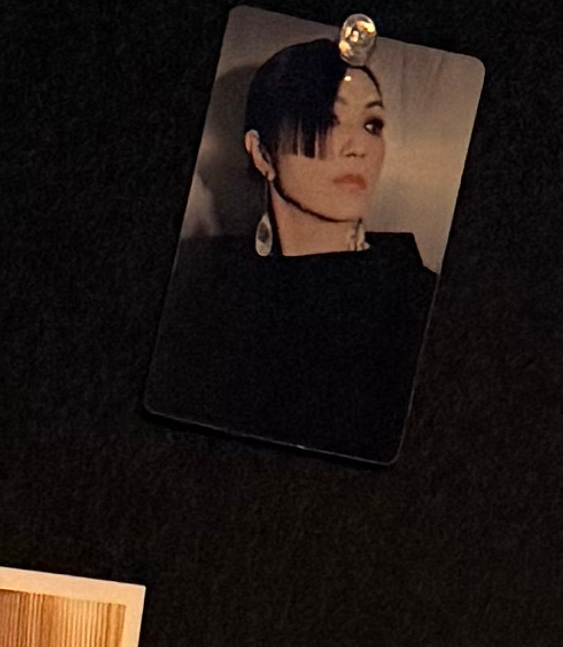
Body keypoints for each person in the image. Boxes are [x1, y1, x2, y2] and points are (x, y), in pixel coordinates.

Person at [148, 31, 440, 467]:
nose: (357, 147)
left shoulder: (416, 296)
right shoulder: (201, 285)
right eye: (325, 120)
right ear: (261, 153)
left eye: (372, 124)